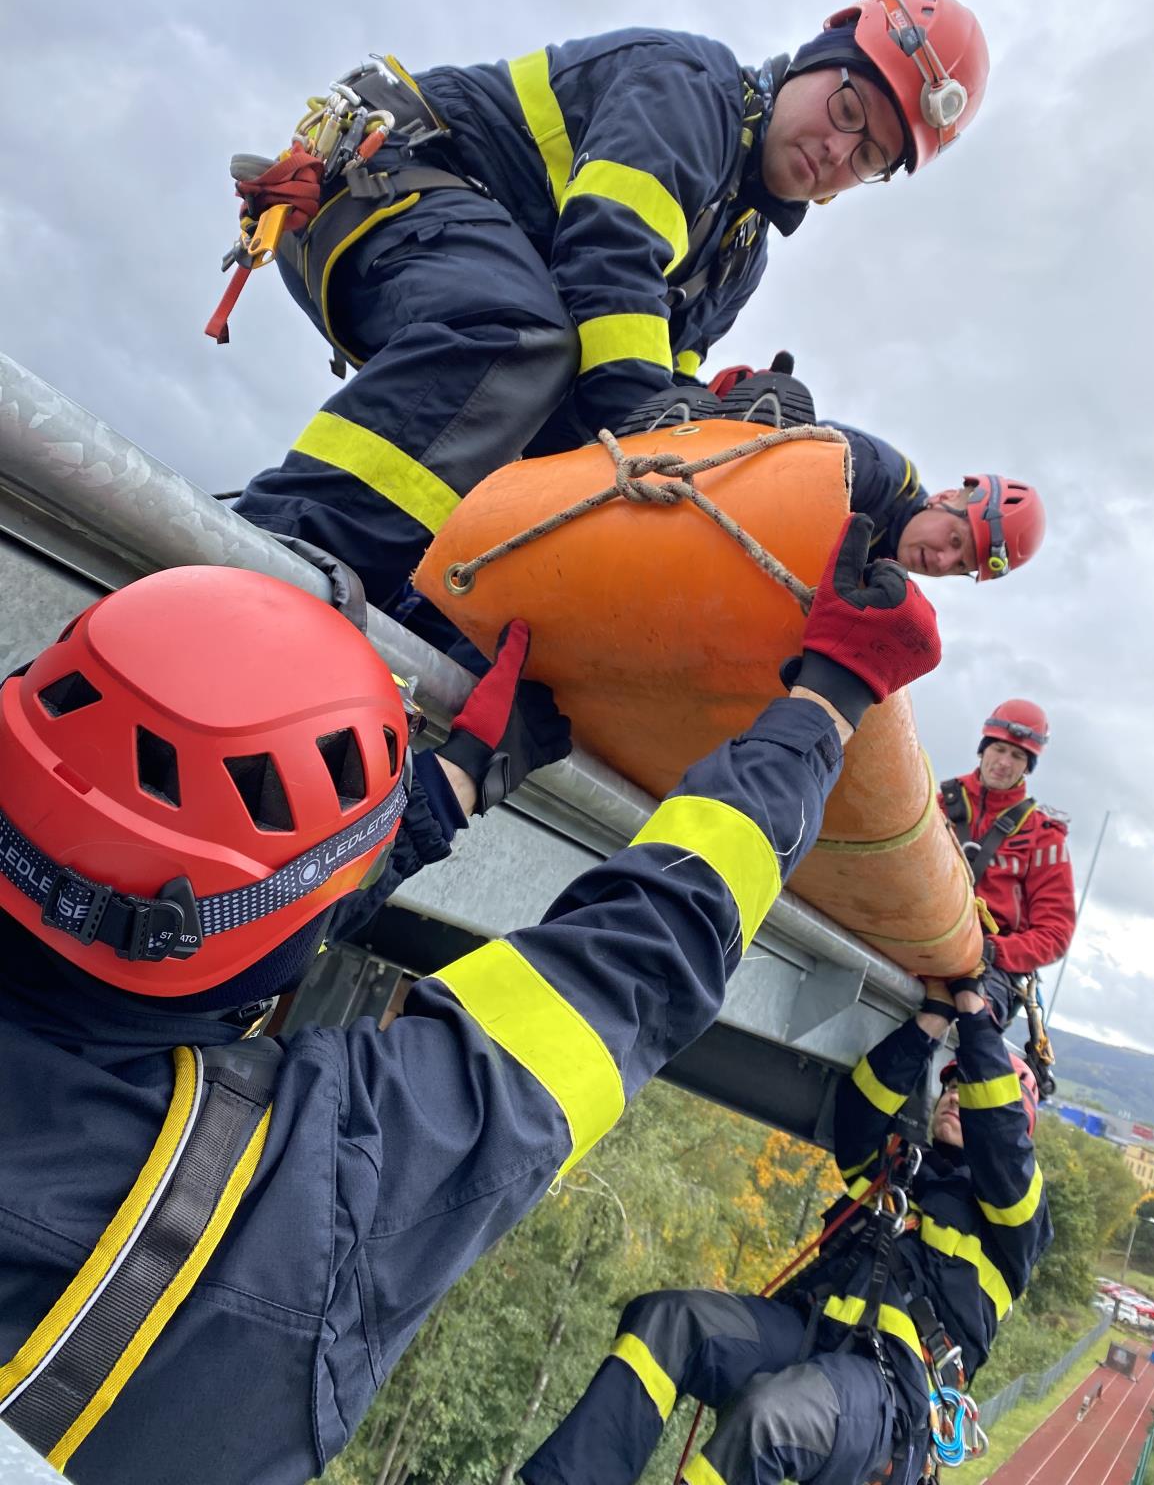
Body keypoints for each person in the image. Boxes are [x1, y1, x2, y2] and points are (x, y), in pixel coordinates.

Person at [0, 515, 940, 1484]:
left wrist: (451, 785)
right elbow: (629, 968)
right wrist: (827, 704)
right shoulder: (284, 1207)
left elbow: (216, 903)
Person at [227, 0, 989, 639]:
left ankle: (415, 607)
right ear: (818, 57)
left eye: (868, 159)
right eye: (847, 108)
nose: (838, 150)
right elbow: (608, 255)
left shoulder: (739, 250)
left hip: (462, 262)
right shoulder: (693, 91)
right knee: (522, 340)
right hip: (382, 185)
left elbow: (650, 387)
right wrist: (661, 430)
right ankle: (277, 557)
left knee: (571, 467)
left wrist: (717, 440)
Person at [520, 979, 1051, 1485]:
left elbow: (1002, 1140)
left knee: (768, 1418)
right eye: (951, 1085)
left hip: (890, 1392)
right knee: (670, 1319)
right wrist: (930, 1023)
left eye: (970, 1091)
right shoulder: (901, 1173)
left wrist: (976, 1016)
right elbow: (858, 1116)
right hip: (810, 1335)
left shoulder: (1017, 1221)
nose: (955, 1096)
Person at [697, 357, 1046, 580]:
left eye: (960, 566)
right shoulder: (877, 475)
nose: (942, 562)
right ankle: (726, 417)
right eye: (955, 540)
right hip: (713, 476)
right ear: (945, 497)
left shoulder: (885, 577)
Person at [939, 699, 1076, 1029]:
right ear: (983, 749)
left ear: (1028, 766)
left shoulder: (1044, 837)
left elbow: (1055, 933)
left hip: (993, 967)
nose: (1004, 762)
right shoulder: (937, 804)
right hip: (924, 939)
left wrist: (991, 950)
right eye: (999, 749)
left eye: (1017, 756)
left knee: (969, 1020)